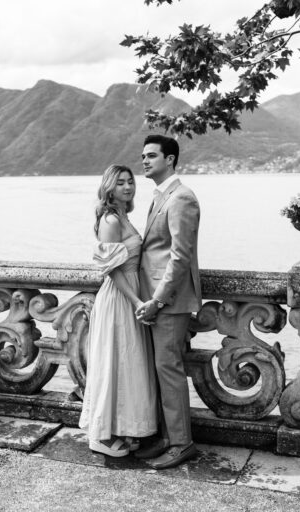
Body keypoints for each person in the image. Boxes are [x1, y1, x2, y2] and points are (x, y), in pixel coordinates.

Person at [79, 164, 158, 457]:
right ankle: (100, 435)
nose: (127, 187)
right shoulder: (111, 219)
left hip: (132, 292)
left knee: (128, 365)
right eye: (121, 183)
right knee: (113, 363)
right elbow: (110, 270)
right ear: (109, 187)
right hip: (119, 297)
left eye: (130, 182)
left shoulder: (124, 215)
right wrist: (136, 301)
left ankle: (123, 427)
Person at [134, 134, 202, 469]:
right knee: (160, 370)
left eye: (151, 156)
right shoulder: (161, 196)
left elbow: (179, 258)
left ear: (171, 159)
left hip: (169, 302)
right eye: (143, 156)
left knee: (169, 370)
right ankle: (164, 437)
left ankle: (181, 444)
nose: (144, 161)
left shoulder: (181, 198)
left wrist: (157, 301)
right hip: (154, 300)